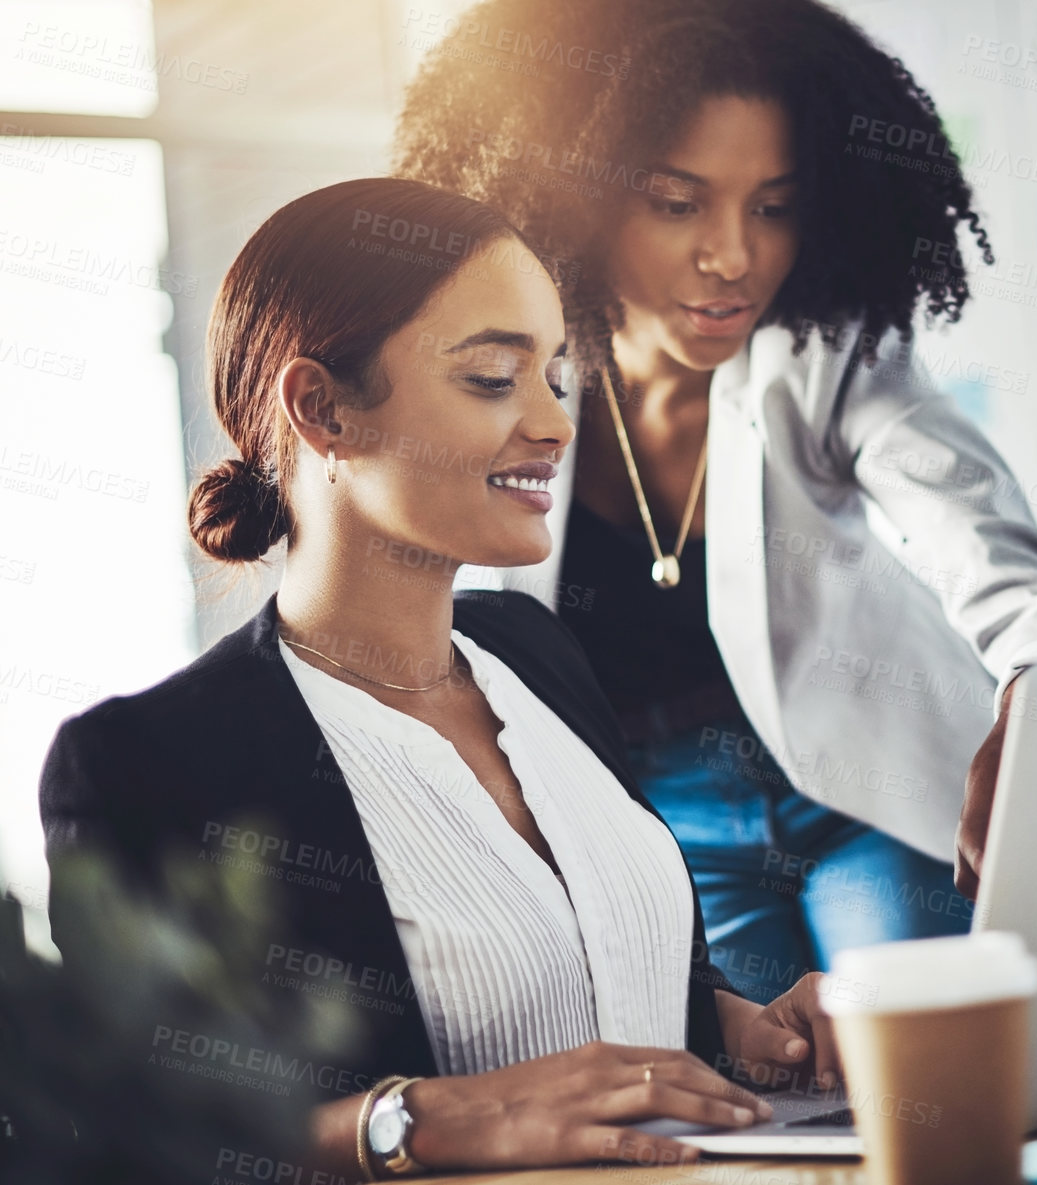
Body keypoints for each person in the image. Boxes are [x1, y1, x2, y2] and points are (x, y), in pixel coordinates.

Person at [38, 177, 841, 1177]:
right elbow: (138, 1144)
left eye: (554, 374)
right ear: (322, 408)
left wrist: (751, 1034)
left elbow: (616, 986)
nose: (554, 424)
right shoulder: (147, 761)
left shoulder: (532, 650)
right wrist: (403, 1122)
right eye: (493, 378)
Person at [392, 0, 1037, 1003]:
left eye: (771, 206)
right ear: (582, 197)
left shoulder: (827, 356)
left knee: (923, 1069)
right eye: (677, 204)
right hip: (661, 824)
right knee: (747, 1105)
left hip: (871, 796)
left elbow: (977, 526)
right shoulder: (502, 387)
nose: (731, 256)